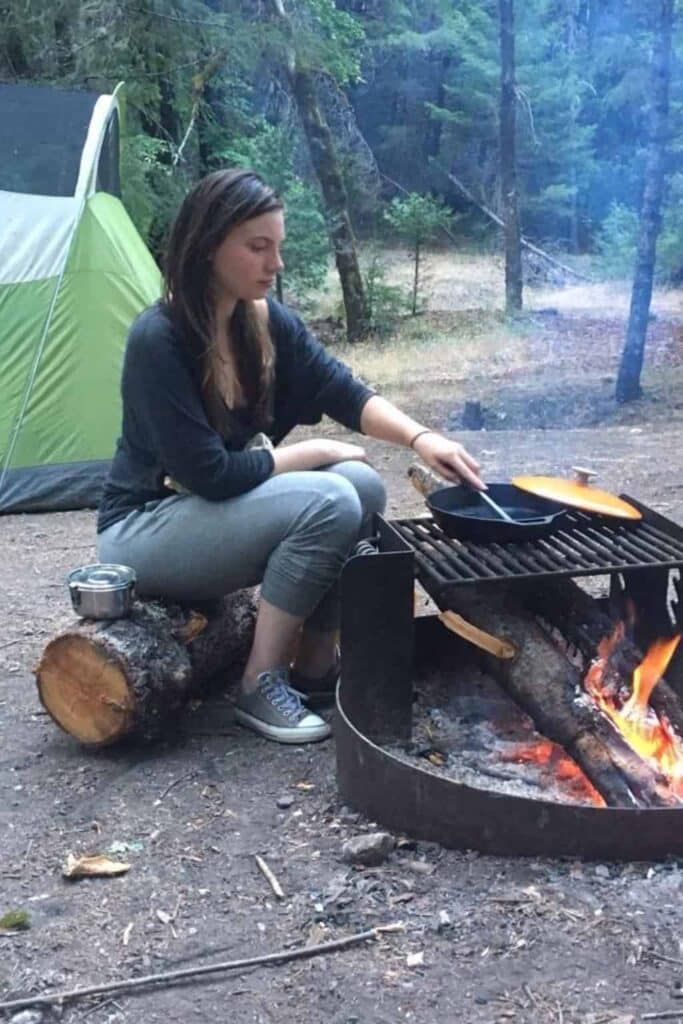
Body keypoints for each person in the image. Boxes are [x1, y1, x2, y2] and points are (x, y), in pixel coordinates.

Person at [97, 168, 484, 745]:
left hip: (210, 521)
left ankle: (317, 667)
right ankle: (259, 685)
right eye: (258, 247)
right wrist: (316, 449)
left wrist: (421, 438)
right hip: (143, 531)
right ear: (208, 246)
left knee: (364, 485)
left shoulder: (262, 321)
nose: (274, 264)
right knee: (329, 494)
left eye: (277, 246)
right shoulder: (161, 338)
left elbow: (343, 391)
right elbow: (210, 476)